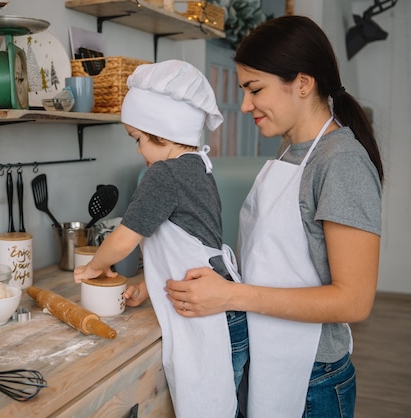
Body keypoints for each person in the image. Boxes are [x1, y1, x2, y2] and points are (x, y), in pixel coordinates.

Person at [165, 15, 383, 417]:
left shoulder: (341, 163)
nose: (245, 104)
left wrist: (232, 295)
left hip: (313, 380)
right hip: (269, 359)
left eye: (255, 89)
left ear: (302, 82)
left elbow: (354, 301)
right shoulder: (289, 152)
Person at [73, 60, 248, 417]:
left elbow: (124, 239)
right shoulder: (198, 166)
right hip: (229, 312)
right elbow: (190, 248)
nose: (138, 150)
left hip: (210, 319)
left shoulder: (163, 175)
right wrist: (148, 286)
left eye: (138, 139)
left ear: (162, 135)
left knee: (207, 406)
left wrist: (93, 266)